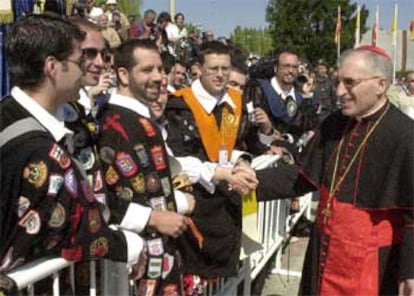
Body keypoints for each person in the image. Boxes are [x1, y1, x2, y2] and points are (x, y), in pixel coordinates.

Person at [0, 14, 145, 293]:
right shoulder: (36, 148)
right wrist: (128, 246)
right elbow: (68, 226)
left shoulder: (9, 113)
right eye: (79, 61)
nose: (89, 70)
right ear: (53, 67)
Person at [255, 45, 414, 295]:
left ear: (381, 84)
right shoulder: (334, 122)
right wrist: (250, 182)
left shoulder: (405, 134)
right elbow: (302, 176)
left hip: (372, 263)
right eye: (338, 81)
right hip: (324, 249)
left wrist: (410, 270)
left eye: (350, 83)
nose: (339, 91)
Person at [96, 39, 193, 295]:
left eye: (161, 69)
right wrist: (153, 218)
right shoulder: (113, 123)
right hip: (133, 264)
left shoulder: (140, 118)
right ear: (123, 75)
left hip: (162, 256)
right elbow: (107, 199)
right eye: (147, 70)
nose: (159, 77)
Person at [165, 41, 259, 292]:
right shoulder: (178, 104)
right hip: (195, 209)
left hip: (227, 207)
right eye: (213, 68)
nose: (220, 75)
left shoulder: (236, 102)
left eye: (225, 69)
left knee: (224, 285)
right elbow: (176, 158)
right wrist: (218, 172)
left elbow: (236, 143)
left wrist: (240, 162)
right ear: (198, 68)